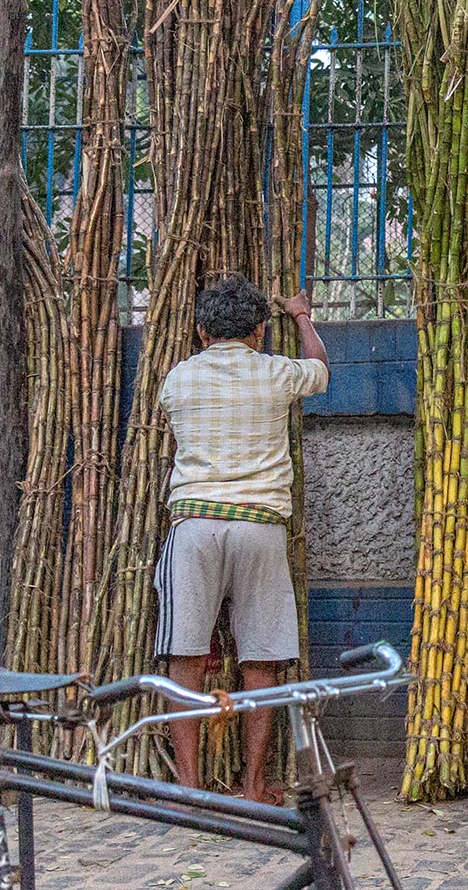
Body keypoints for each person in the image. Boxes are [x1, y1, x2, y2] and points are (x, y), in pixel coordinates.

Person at [153, 274, 329, 804]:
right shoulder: (277, 373)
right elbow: (320, 368)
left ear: (201, 330)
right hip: (260, 527)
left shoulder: (177, 380)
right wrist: (300, 314)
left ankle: (189, 787)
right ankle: (255, 786)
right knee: (262, 660)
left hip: (194, 528)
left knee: (182, 658)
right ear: (258, 331)